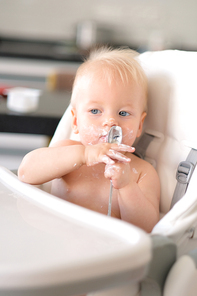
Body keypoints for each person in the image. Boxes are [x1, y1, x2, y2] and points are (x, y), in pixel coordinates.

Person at [18, 46, 160, 233]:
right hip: (57, 241)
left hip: (106, 254)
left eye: (123, 113)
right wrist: (83, 154)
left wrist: (127, 186)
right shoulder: (68, 151)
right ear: (75, 121)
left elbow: (147, 229)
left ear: (139, 125)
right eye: (95, 111)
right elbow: (26, 172)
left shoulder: (141, 172)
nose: (110, 122)